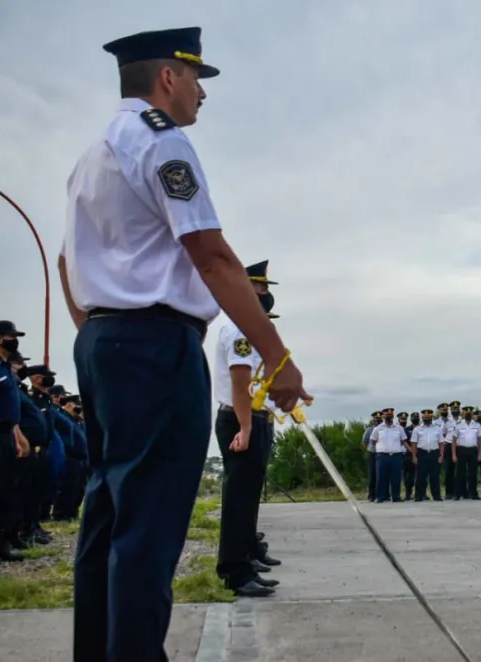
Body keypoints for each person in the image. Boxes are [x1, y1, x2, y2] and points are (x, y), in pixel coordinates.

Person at [59, 28, 307, 662]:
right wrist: (276, 357)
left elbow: (67, 260)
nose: (202, 93)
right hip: (153, 345)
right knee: (149, 524)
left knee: (108, 515)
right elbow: (213, 255)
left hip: (105, 338)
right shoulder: (163, 143)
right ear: (168, 77)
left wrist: (96, 334)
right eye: (197, 79)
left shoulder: (93, 154)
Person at [213, 259, 281, 598]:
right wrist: (245, 427)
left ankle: (245, 559)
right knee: (238, 498)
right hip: (241, 419)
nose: (267, 295)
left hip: (253, 418)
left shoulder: (249, 327)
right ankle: (234, 572)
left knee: (248, 496)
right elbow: (241, 386)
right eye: (262, 288)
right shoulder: (239, 329)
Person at [0, 322, 33, 562]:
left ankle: (2, 543)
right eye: (12, 336)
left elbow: (11, 411)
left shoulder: (3, 367)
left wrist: (17, 435)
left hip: (6, 432)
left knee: (6, 488)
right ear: (0, 338)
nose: (15, 340)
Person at [370, 409, 408, 503]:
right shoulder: (378, 428)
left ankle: (396, 496)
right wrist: (381, 448)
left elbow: (403, 441)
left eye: (390, 415)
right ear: (383, 416)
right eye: (387, 415)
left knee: (396, 477)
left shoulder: (399, 428)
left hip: (396, 455)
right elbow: (373, 441)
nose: (389, 416)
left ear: (393, 416)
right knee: (381, 477)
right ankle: (380, 497)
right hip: (382, 455)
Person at [411, 409, 443, 502]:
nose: (427, 420)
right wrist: (414, 456)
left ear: (431, 418)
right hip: (422, 453)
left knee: (435, 476)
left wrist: (441, 455)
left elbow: (441, 443)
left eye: (429, 418)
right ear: (422, 418)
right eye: (425, 418)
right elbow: (413, 443)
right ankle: (419, 496)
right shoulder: (417, 429)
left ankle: (436, 496)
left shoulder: (437, 428)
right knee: (420, 476)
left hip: (434, 453)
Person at [452, 406, 481, 500]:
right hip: (461, 450)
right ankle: (458, 494)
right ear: (463, 414)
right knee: (460, 473)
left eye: (470, 413)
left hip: (473, 451)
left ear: (472, 414)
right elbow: (454, 441)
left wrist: (480, 454)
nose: (468, 414)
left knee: (473, 473)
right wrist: (454, 454)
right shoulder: (458, 425)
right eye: (466, 413)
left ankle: (473, 493)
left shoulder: (477, 425)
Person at [362, 411, 381, 501]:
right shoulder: (369, 430)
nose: (377, 420)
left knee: (380, 475)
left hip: (381, 454)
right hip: (373, 454)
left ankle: (380, 494)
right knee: (372, 475)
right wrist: (369, 450)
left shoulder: (384, 429)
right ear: (373, 420)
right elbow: (364, 442)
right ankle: (371, 495)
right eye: (376, 419)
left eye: (379, 419)